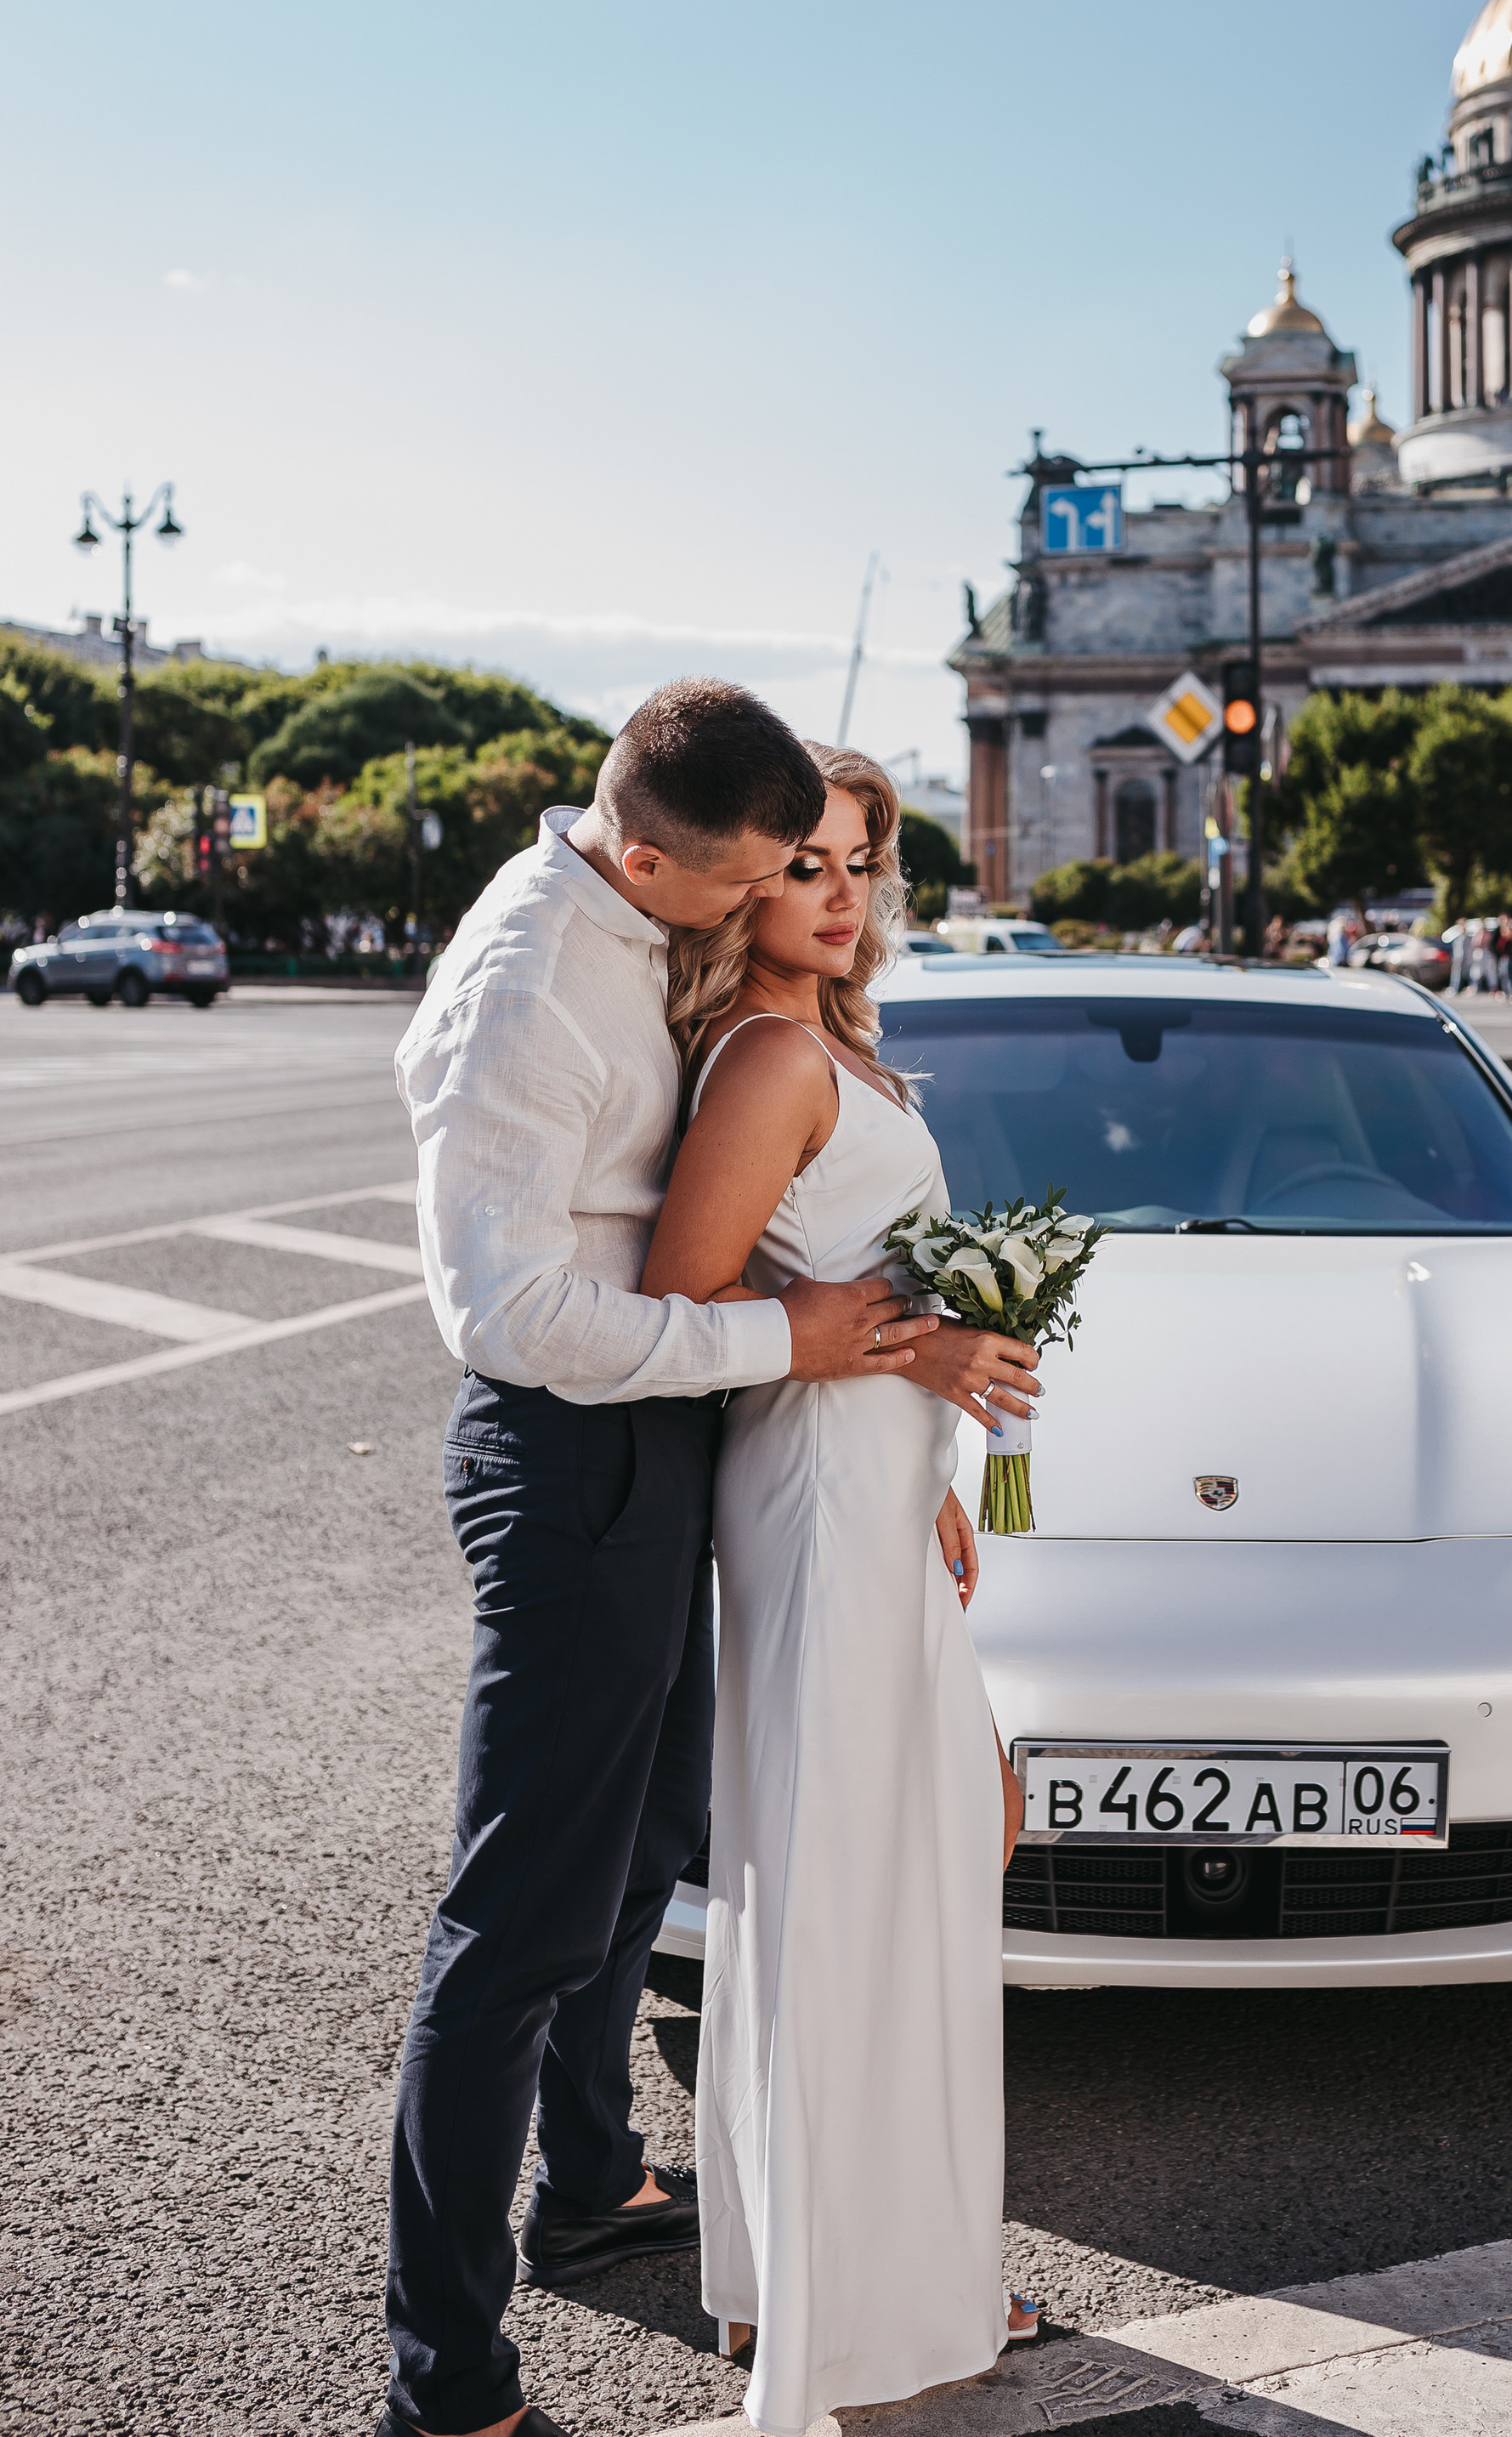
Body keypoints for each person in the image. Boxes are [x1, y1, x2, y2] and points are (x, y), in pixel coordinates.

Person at [379, 683, 1032, 2437]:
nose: (797, 898)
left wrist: (884, 1401)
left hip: (673, 1438)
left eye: (833, 865)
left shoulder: (653, 927)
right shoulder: (530, 985)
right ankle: (446, 2386)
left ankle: (596, 2176)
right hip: (570, 1450)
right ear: (661, 861)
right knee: (518, 1919)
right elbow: (511, 1316)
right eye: (765, 875)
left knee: (643, 1852)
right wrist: (810, 1343)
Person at [643, 749, 1033, 2437]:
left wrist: (929, 1457)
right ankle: (826, 2307)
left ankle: (867, 2276)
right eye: (804, 864)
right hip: (807, 1503)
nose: (839, 893)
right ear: (745, 881)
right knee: (835, 1890)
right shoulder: (770, 1053)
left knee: (908, 1874)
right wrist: (918, 1350)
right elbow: (689, 1298)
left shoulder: (844, 1049)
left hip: (877, 1500)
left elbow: (835, 1276)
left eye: (860, 863)